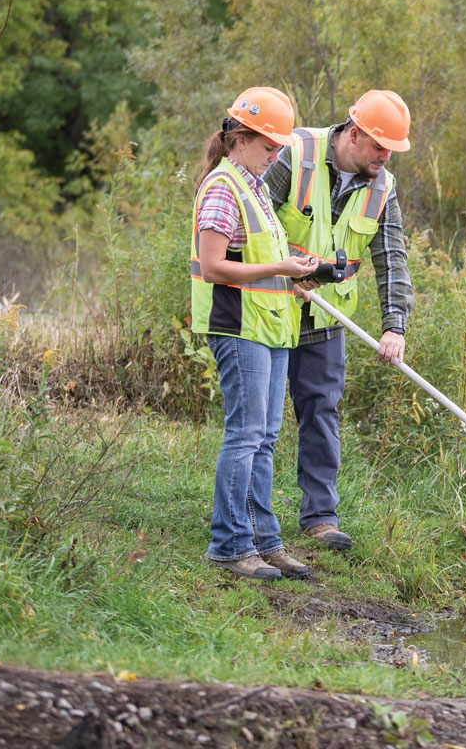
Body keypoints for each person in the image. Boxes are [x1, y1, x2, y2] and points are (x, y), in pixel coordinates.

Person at [265, 90, 414, 552]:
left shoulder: (381, 187)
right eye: (379, 147)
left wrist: (394, 326)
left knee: (321, 414)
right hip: (268, 307)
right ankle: (253, 519)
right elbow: (251, 216)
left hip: (325, 321)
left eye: (391, 150)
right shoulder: (293, 153)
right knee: (262, 422)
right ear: (354, 134)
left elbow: (391, 258)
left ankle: (319, 519)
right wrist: (284, 267)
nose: (385, 158)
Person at [192, 86, 319, 581]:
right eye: (268, 147)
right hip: (237, 326)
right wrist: (281, 266)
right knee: (245, 436)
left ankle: (266, 542)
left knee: (264, 438)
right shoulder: (224, 187)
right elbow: (213, 264)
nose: (274, 157)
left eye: (278, 149)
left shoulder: (257, 186)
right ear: (239, 139)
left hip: (270, 325)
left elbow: (257, 259)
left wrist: (294, 276)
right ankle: (229, 545)